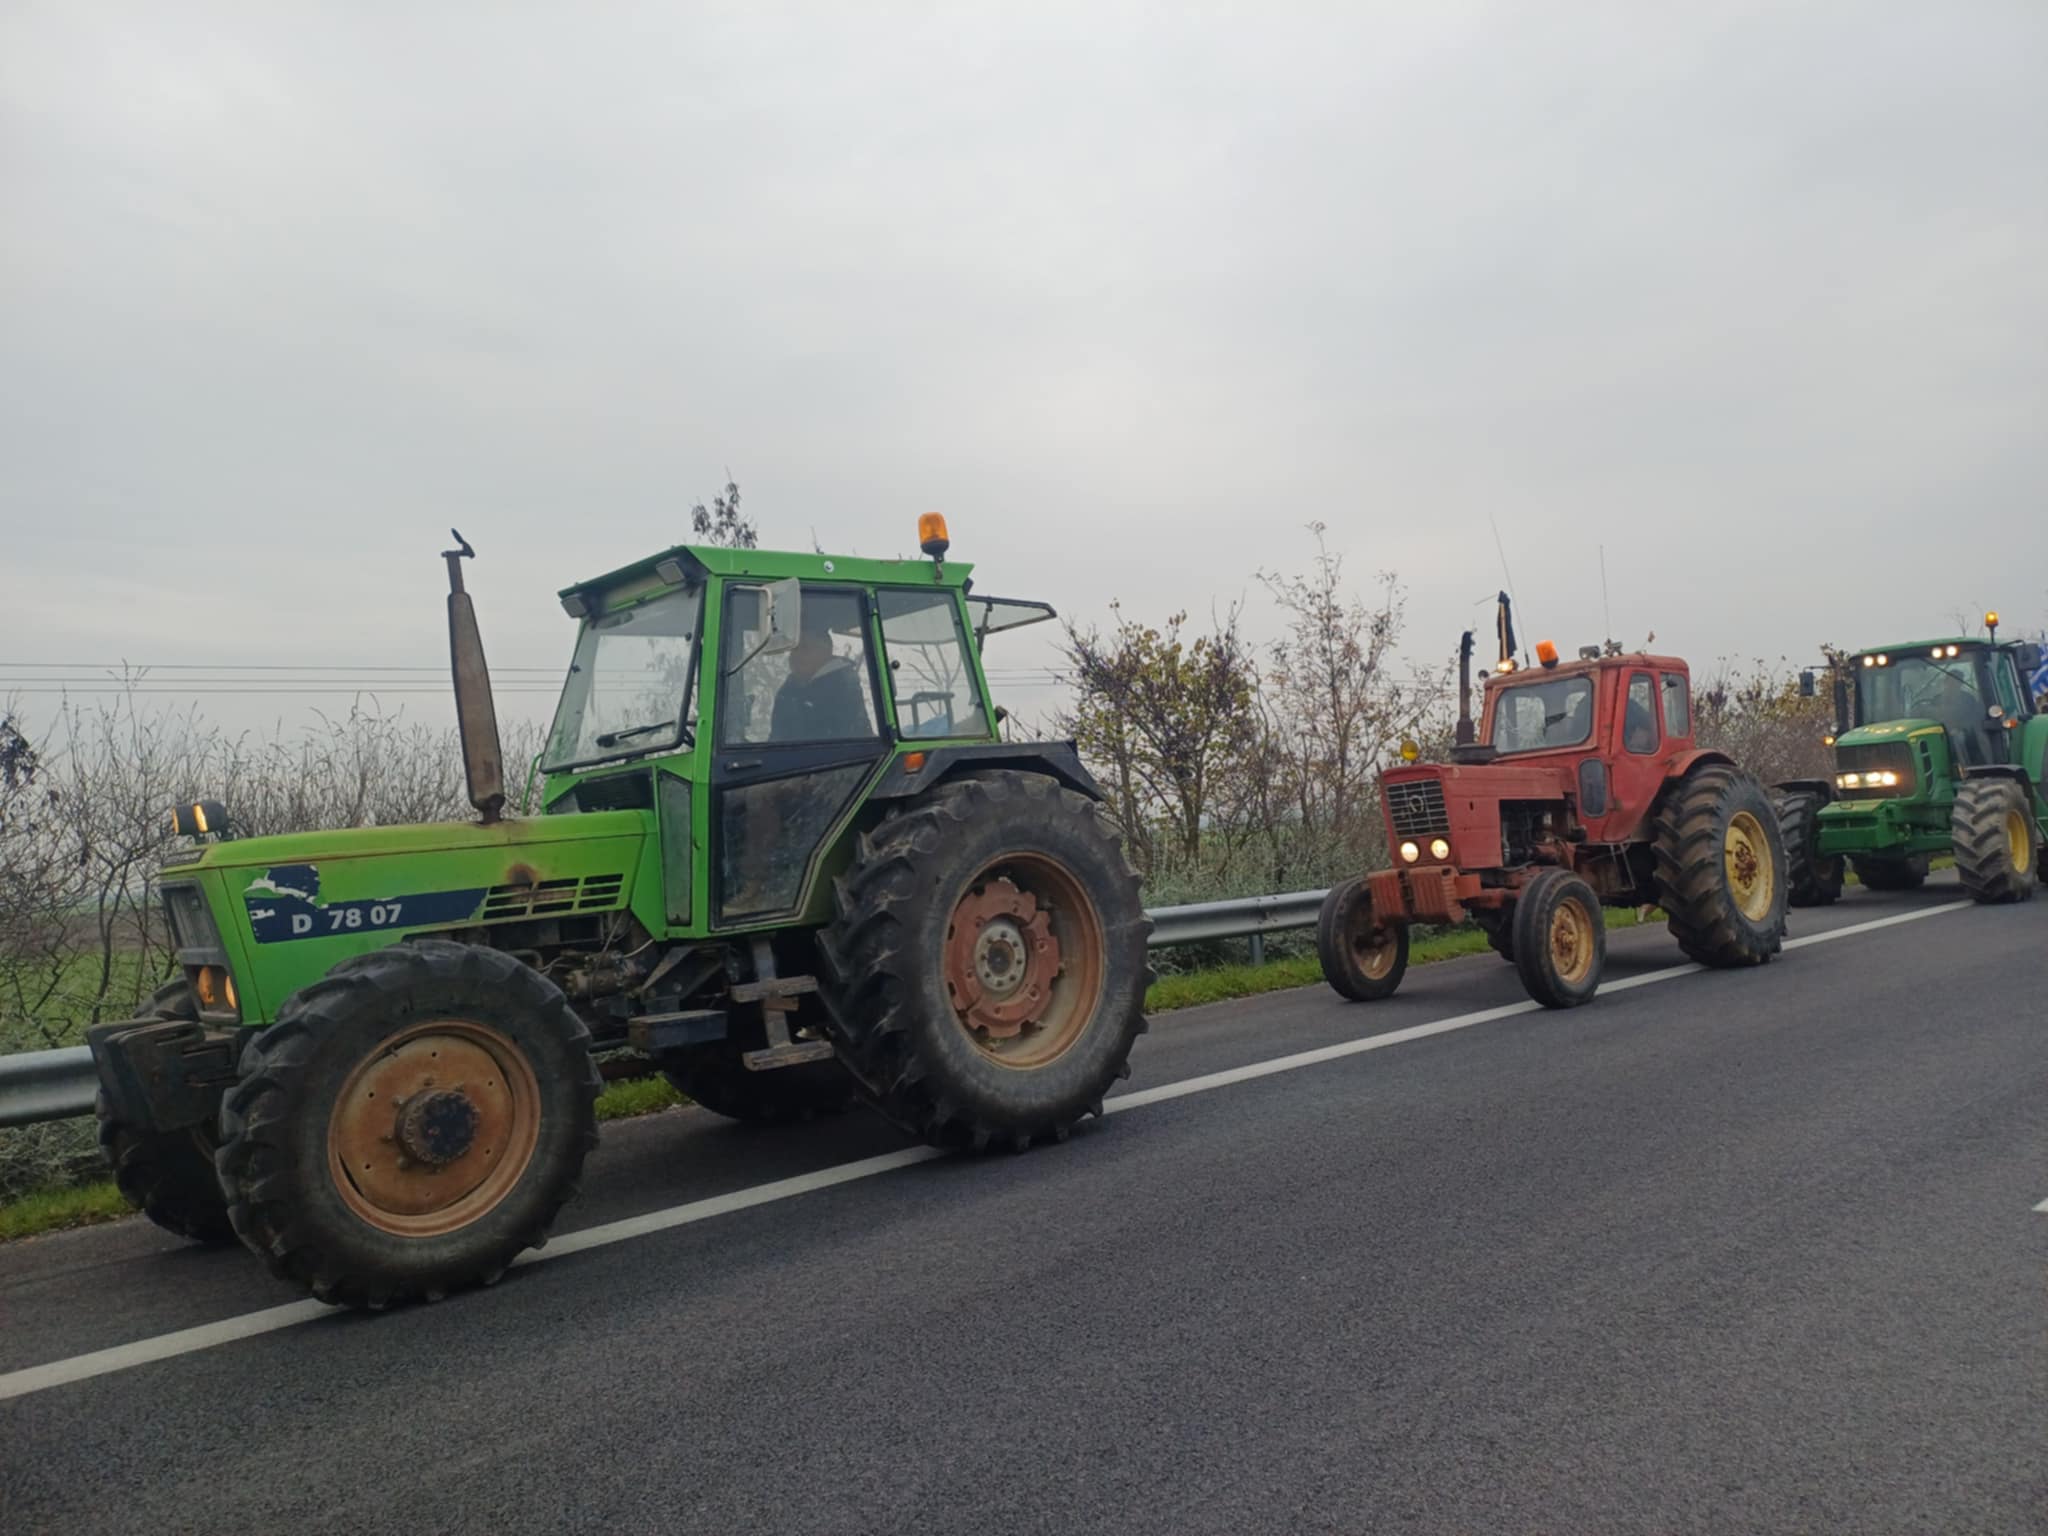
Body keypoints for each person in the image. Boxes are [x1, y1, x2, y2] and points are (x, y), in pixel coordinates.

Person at [771, 620, 871, 742]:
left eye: (805, 648)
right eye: (793, 649)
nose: (795, 655)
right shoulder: (789, 690)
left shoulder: (840, 689)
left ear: (826, 651)